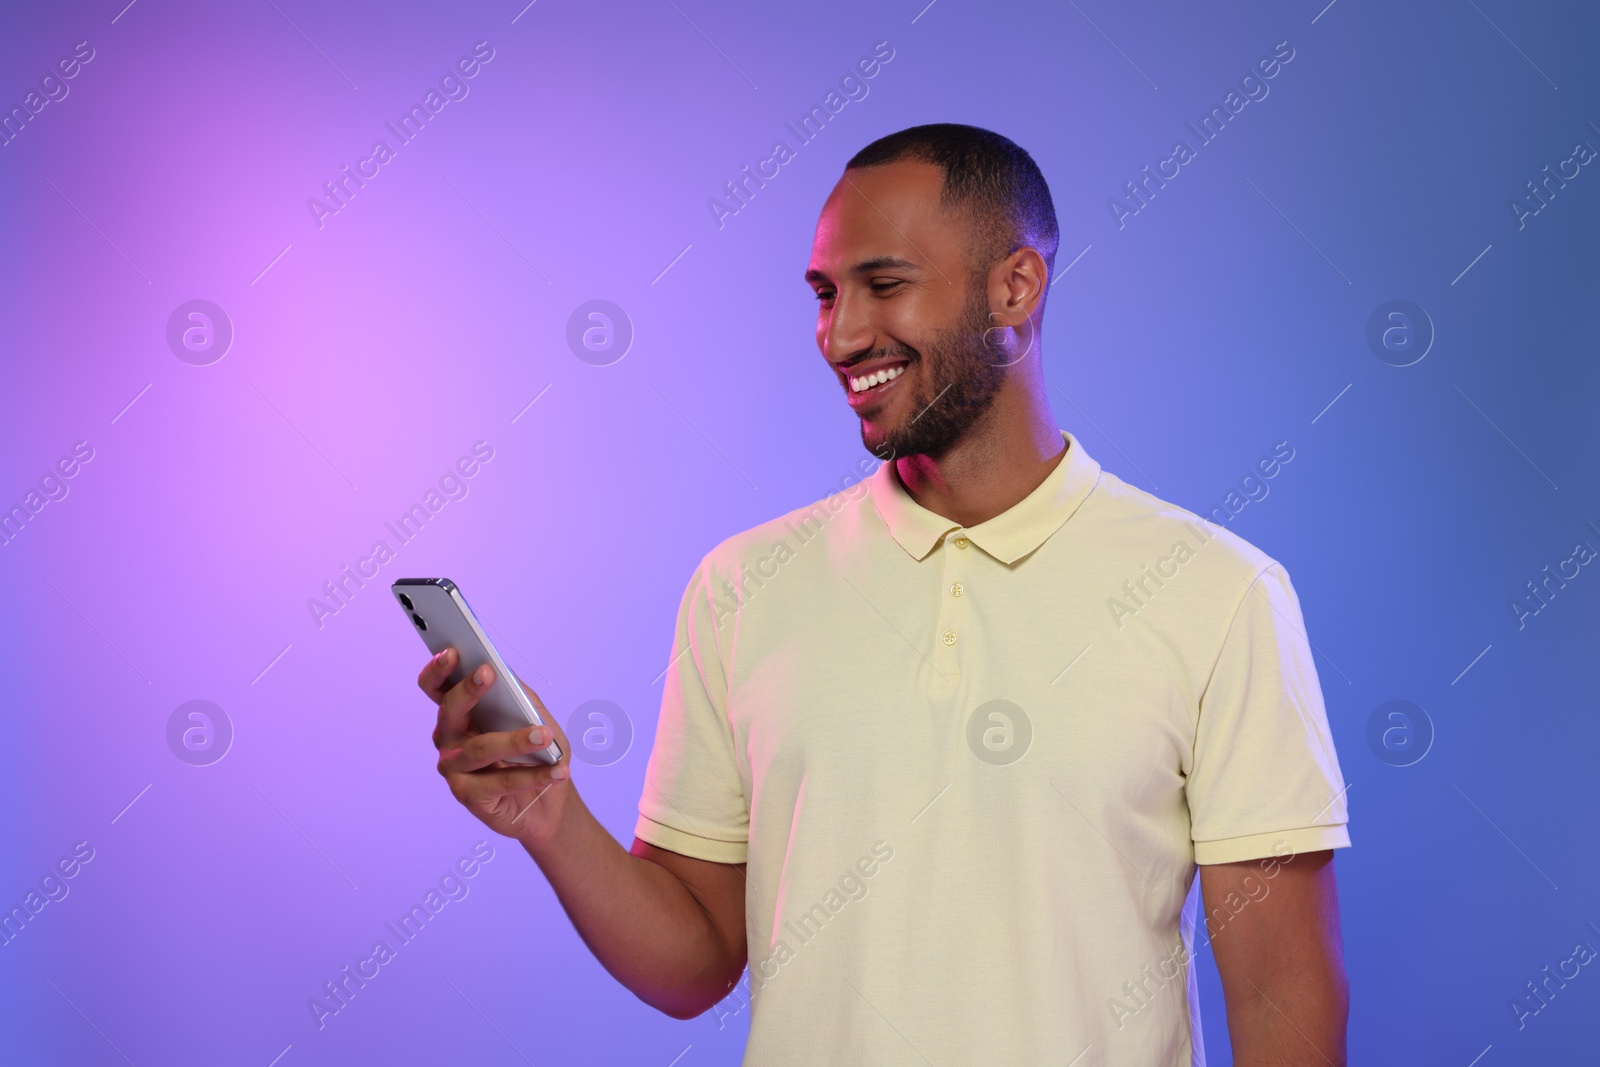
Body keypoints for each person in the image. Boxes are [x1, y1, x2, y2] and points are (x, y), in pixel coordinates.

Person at [417, 123, 1350, 1066]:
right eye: (825, 294)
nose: (842, 334)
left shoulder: (1218, 592)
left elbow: (1282, 990)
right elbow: (693, 964)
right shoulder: (743, 586)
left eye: (884, 285)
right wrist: (550, 815)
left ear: (1014, 288)